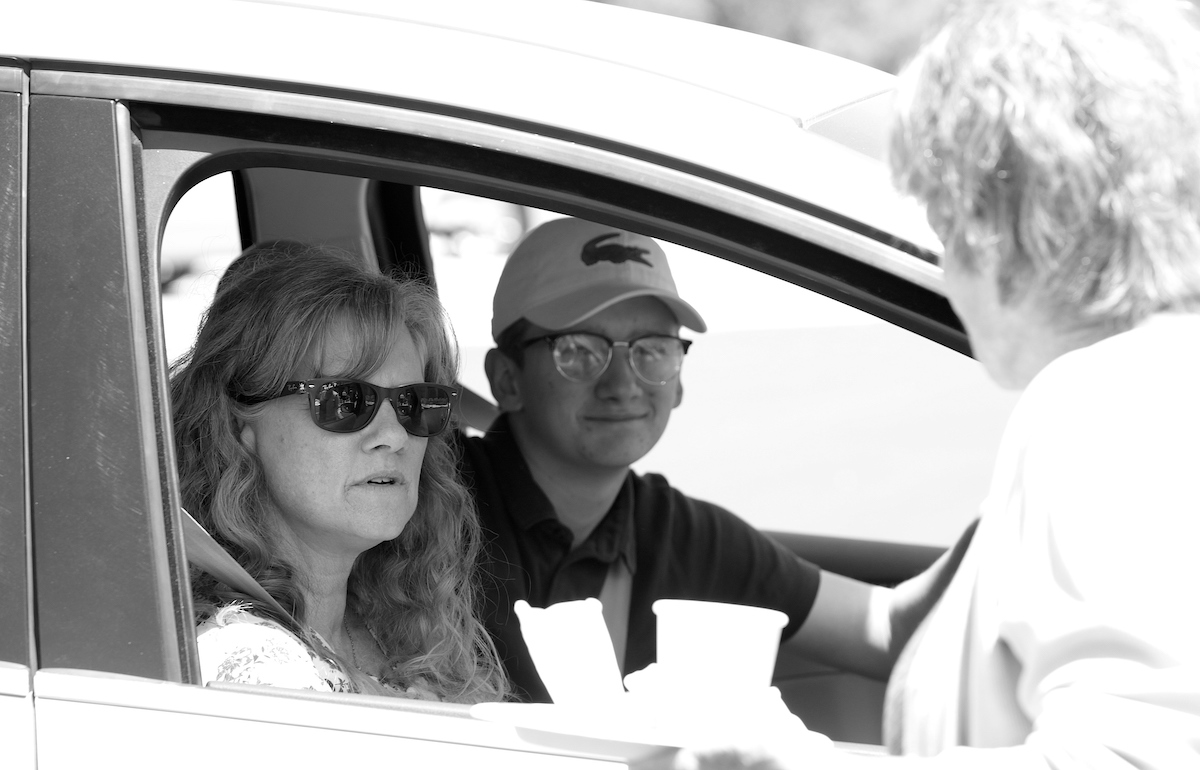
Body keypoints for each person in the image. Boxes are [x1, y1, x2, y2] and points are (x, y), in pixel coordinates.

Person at [644, 0, 1200, 766]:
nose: (944, 268)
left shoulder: (1102, 404)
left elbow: (1138, 753)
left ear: (999, 225)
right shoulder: (1157, 385)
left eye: (943, 222)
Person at [461, 216, 974, 703]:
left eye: (651, 349)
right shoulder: (437, 501)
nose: (622, 384)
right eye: (577, 351)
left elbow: (887, 630)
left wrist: (1000, 524)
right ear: (507, 378)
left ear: (679, 379)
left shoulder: (683, 537)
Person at [172, 243, 507, 703]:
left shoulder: (393, 629)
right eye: (346, 401)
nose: (394, 436)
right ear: (237, 426)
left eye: (414, 403)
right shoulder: (249, 661)